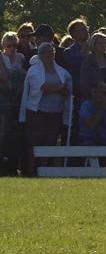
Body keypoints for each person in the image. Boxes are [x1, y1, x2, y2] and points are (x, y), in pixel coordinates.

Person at [19, 41, 73, 174]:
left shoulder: (61, 71)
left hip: (55, 112)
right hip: (37, 113)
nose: (51, 54)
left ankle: (46, 171)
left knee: (50, 142)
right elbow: (42, 88)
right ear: (41, 54)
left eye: (53, 52)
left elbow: (67, 90)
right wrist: (59, 88)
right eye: (48, 52)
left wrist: (60, 89)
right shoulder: (34, 70)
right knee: (34, 142)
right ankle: (31, 171)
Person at [0, 32, 28, 174]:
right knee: (4, 131)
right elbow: (3, 78)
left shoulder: (21, 57)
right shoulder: (1, 57)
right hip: (4, 97)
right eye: (9, 45)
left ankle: (15, 165)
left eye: (14, 45)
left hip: (18, 97)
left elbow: (25, 75)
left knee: (17, 132)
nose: (12, 48)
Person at [76, 81, 106, 149]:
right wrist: (104, 105)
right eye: (105, 93)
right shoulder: (86, 105)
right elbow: (92, 125)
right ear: (94, 93)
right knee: (91, 145)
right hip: (88, 140)